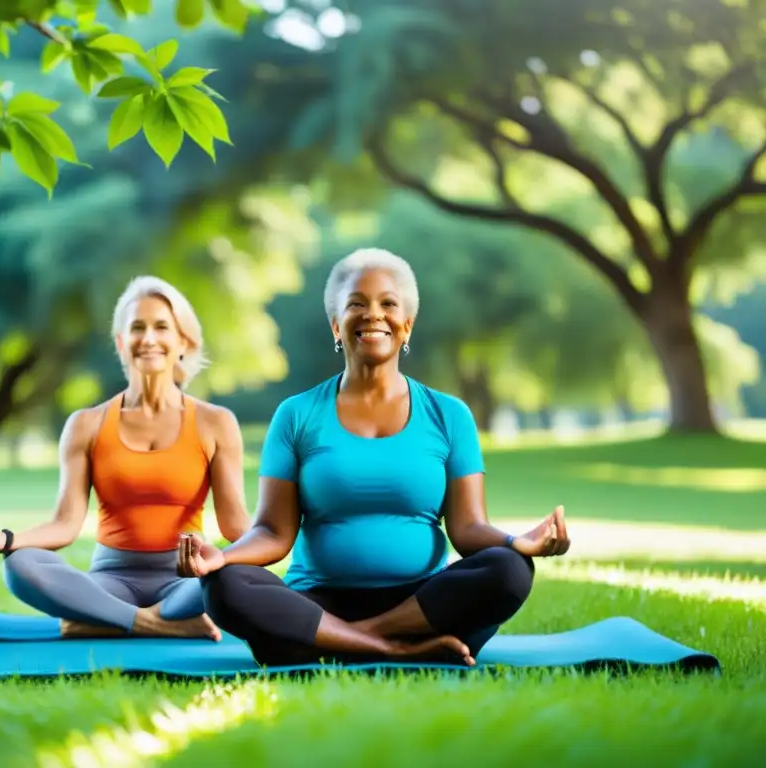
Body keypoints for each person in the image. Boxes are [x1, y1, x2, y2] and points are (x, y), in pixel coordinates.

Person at [176, 248, 571, 667]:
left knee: (510, 570)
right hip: (320, 602)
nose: (373, 314)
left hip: (423, 604)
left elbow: (468, 527)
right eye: (356, 304)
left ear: (407, 325)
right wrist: (223, 557)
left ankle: (333, 643)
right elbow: (274, 531)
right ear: (336, 325)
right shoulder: (296, 415)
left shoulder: (450, 415)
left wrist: (517, 543)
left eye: (388, 304)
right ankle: (395, 649)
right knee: (224, 585)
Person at [0, 276, 251, 641]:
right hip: (110, 581)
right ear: (121, 343)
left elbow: (236, 528)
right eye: (137, 328)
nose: (148, 338)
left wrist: (281, 540)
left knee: (233, 575)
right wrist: (4, 541)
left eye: (161, 327)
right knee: (21, 564)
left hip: (185, 580)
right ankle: (151, 624)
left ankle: (96, 621)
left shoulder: (216, 423)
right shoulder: (86, 424)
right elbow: (65, 524)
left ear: (183, 341)